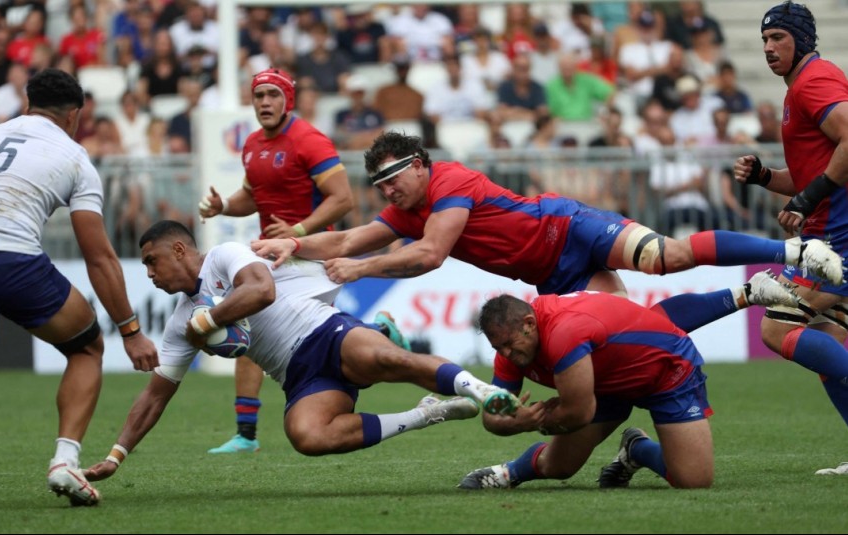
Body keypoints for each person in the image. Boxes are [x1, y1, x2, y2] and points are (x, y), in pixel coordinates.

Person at [82, 221, 519, 483]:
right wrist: (115, 456)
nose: (149, 273)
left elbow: (261, 289)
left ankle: (481, 390)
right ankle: (426, 414)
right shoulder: (181, 323)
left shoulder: (224, 256)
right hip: (300, 376)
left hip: (324, 330)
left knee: (388, 360)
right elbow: (156, 395)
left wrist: (209, 321)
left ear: (179, 249)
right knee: (307, 436)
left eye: (151, 261)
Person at [0, 69, 158, 506]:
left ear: (27, 104)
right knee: (87, 348)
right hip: (14, 261)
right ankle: (64, 461)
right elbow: (98, 256)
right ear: (75, 114)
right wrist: (130, 332)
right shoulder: (75, 157)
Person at [252, 131, 843, 305]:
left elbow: (430, 256)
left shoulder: (449, 183)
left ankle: (791, 254)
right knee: (625, 338)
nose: (388, 189)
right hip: (552, 273)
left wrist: (358, 271)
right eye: (378, 183)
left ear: (422, 165)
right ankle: (751, 294)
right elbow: (350, 234)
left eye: (395, 176)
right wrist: (293, 245)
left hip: (569, 226)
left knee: (668, 259)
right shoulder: (408, 207)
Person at [196, 67, 408, 455]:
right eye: (259, 96)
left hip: (309, 253)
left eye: (272, 96)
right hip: (272, 256)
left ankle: (248, 431)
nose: (264, 103)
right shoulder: (252, 144)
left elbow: (342, 199)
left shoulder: (309, 140)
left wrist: (299, 232)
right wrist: (223, 206)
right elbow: (252, 196)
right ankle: (246, 432)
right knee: (251, 330)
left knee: (262, 329)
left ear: (287, 100)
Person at [456, 279, 796, 491]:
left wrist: (537, 421)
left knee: (694, 481)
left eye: (508, 344)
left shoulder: (564, 333)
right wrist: (513, 422)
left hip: (666, 371)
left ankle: (637, 449)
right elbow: (493, 415)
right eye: (497, 348)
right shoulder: (510, 348)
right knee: (558, 467)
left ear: (530, 324)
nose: (504, 354)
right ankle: (508, 473)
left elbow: (579, 411)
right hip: (603, 383)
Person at [733, 1, 848, 476]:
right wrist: (765, 177)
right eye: (763, 40)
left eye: (778, 37)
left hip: (836, 241)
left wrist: (806, 200)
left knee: (776, 329)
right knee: (830, 337)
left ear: (800, 39)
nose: (768, 48)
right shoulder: (797, 88)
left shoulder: (814, 80)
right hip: (826, 236)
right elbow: (812, 173)